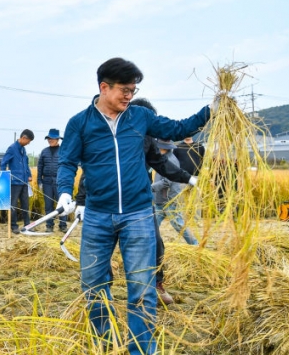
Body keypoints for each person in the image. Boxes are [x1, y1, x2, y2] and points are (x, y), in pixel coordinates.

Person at [56, 57, 212, 355]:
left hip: (139, 216)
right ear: (104, 87)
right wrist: (65, 192)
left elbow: (178, 128)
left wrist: (211, 111)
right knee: (94, 287)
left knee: (141, 290)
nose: (130, 95)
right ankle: (104, 349)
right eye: (124, 90)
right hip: (98, 217)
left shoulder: (140, 117)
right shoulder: (80, 123)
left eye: (133, 90)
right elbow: (68, 162)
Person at [73, 97, 197, 306]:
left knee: (155, 243)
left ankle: (156, 284)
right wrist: (81, 201)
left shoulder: (146, 136)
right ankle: (102, 290)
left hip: (139, 202)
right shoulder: (105, 134)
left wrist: (188, 177)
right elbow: (88, 171)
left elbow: (160, 163)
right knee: (102, 248)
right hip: (106, 204)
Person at [151, 139, 199, 246]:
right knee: (152, 225)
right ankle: (151, 246)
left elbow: (167, 182)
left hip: (170, 199)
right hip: (161, 200)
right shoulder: (161, 158)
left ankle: (195, 244)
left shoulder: (171, 161)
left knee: (179, 225)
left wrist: (151, 188)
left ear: (163, 148)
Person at [0, 129, 34, 234]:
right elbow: (3, 163)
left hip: (24, 182)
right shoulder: (12, 148)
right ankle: (14, 226)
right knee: (13, 204)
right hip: (14, 182)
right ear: (24, 138)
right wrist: (4, 176)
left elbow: (26, 164)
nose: (29, 143)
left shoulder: (23, 150)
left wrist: (29, 175)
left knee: (25, 204)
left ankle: (27, 225)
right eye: (28, 141)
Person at [37, 128, 67, 233]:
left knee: (62, 204)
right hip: (47, 182)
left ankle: (63, 225)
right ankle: (49, 225)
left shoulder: (63, 151)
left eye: (52, 138)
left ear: (58, 139)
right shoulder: (44, 152)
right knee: (48, 205)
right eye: (49, 138)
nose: (50, 140)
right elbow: (40, 167)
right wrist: (39, 181)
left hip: (60, 182)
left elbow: (67, 166)